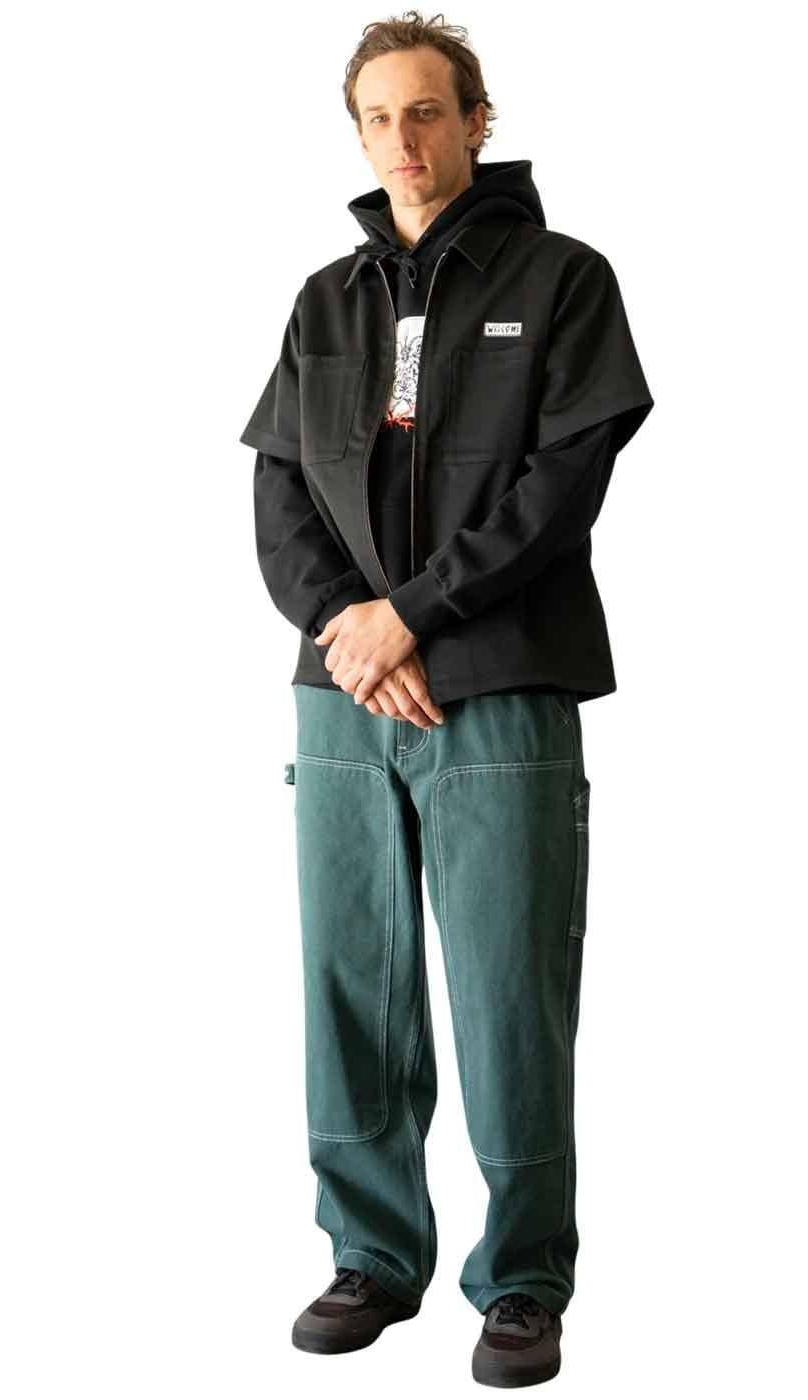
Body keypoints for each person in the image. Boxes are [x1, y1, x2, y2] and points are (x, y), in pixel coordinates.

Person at [240, 12, 653, 1387]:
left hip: (503, 679)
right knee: (349, 985)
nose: (403, 141)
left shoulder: (565, 279)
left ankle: (523, 1279)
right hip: (341, 696)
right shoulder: (325, 301)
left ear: (478, 120)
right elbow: (279, 491)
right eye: (378, 118)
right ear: (357, 135)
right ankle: (370, 1253)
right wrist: (348, 631)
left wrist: (410, 616)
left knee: (506, 991)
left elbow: (559, 486)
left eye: (427, 111)